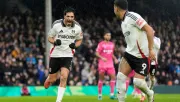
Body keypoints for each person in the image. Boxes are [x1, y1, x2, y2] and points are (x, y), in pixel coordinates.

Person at [114, 0, 156, 102]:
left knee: (138, 82)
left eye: (114, 8)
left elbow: (150, 30)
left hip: (141, 56)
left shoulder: (132, 16)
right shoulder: (123, 22)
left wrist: (151, 50)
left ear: (116, 8)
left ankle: (150, 93)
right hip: (129, 54)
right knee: (120, 77)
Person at [44, 7, 83, 102]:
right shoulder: (56, 25)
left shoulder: (77, 27)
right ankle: (49, 78)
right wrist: (55, 42)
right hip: (55, 54)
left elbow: (79, 39)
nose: (70, 18)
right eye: (68, 16)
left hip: (68, 54)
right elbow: (49, 37)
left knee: (64, 76)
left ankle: (58, 100)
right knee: (53, 80)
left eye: (72, 16)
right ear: (64, 16)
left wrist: (75, 45)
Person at [95, 30, 118, 100]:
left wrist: (115, 58)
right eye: (107, 35)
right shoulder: (101, 44)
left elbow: (111, 53)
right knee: (101, 79)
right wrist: (102, 58)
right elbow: (96, 53)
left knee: (113, 77)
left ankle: (111, 94)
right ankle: (99, 94)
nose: (109, 36)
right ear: (104, 36)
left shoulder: (112, 44)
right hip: (102, 64)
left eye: (110, 35)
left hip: (110, 64)